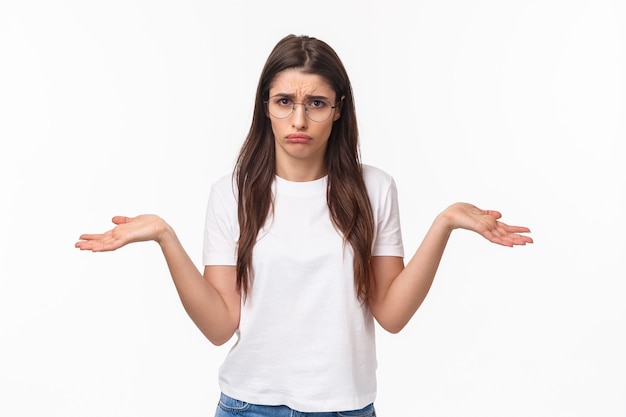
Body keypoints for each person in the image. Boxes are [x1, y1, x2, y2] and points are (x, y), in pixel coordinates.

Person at [75, 34, 533, 417]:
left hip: (346, 407)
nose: (299, 119)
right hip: (249, 405)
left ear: (337, 109)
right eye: (284, 101)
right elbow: (219, 325)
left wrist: (445, 224)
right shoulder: (231, 193)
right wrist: (164, 237)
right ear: (266, 107)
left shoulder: (373, 189)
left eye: (316, 103)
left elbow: (391, 314)